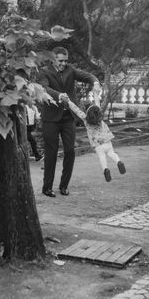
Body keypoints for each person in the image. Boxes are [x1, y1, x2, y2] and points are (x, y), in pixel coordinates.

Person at [37, 46, 101, 197]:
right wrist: (59, 95)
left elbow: (87, 76)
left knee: (70, 151)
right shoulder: (44, 72)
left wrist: (95, 82)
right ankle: (47, 188)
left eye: (65, 61)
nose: (63, 64)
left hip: (68, 118)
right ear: (53, 59)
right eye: (60, 61)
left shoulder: (70, 70)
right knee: (51, 153)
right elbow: (44, 88)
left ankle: (64, 186)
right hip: (51, 118)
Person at [68, 102, 126, 182]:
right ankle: (118, 162)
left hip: (98, 144)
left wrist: (68, 102)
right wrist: (96, 92)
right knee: (111, 153)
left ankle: (106, 170)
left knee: (102, 157)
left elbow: (76, 110)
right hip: (107, 141)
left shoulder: (86, 120)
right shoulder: (100, 119)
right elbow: (98, 106)